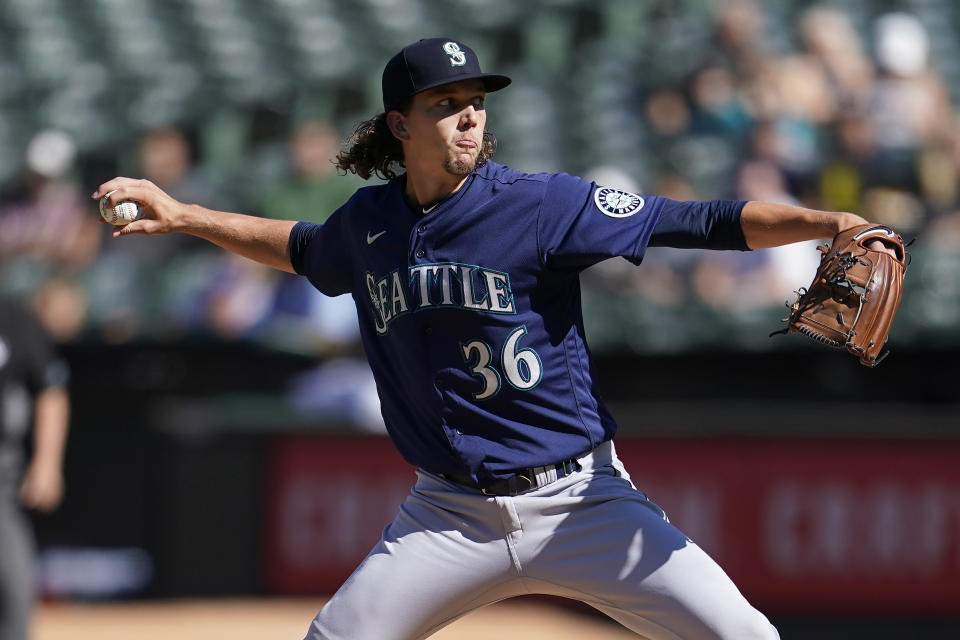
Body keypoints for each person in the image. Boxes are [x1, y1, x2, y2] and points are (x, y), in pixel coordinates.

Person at [93, 38, 896, 640]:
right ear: (400, 125)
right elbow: (303, 249)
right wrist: (186, 214)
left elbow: (699, 222)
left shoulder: (542, 205)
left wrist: (827, 220)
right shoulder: (368, 224)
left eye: (476, 98)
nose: (470, 112)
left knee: (747, 637)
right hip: (448, 514)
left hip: (582, 501)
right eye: (446, 102)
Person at [0, 297, 71, 640]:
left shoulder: (12, 316)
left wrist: (47, 463)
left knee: (12, 587)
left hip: (1, 475)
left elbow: (50, 389)